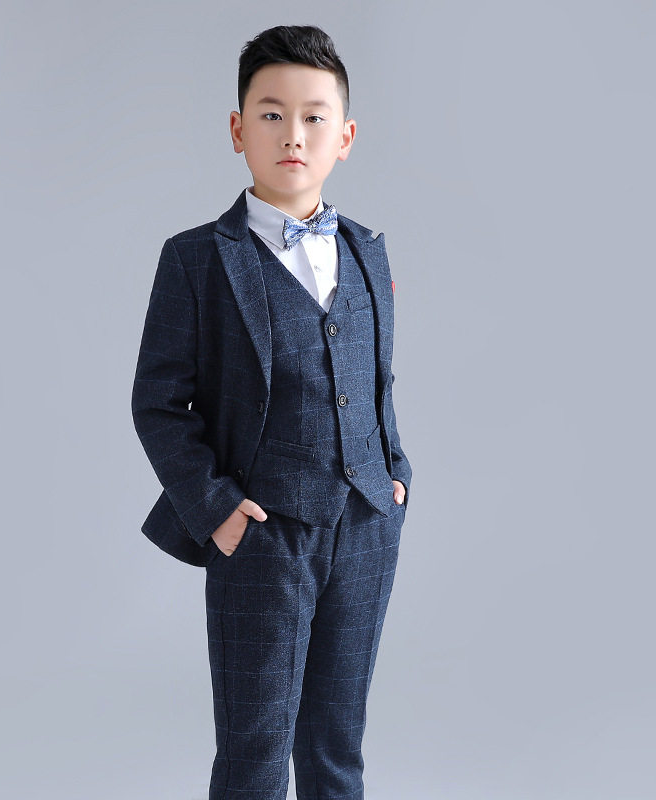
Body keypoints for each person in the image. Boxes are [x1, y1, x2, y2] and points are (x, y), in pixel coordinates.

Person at [131, 23, 413, 800]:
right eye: (272, 114)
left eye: (315, 116)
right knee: (255, 753)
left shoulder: (367, 249)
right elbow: (158, 401)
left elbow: (376, 377)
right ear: (237, 129)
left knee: (337, 747)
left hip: (365, 526)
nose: (294, 134)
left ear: (344, 137)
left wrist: (394, 475)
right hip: (261, 535)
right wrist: (215, 511)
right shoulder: (196, 258)